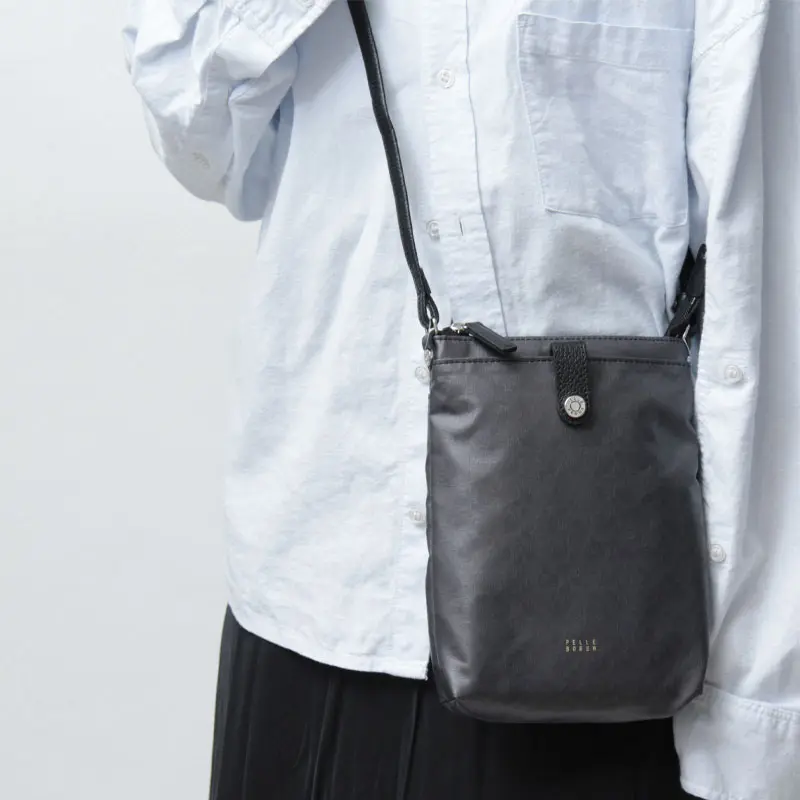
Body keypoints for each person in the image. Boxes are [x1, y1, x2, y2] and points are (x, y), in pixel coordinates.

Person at [123, 2, 798, 798]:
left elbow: (760, 280)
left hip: (603, 624)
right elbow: (202, 141)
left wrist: (755, 711)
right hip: (322, 594)